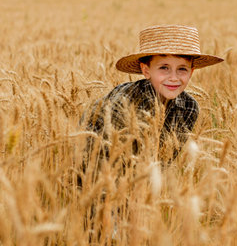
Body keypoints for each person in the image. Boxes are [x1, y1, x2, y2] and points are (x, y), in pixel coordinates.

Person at [81, 25, 224, 175]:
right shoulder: (124, 102)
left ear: (191, 72)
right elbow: (104, 161)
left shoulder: (189, 107)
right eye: (164, 68)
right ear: (146, 70)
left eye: (182, 69)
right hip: (92, 177)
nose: (174, 77)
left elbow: (164, 161)